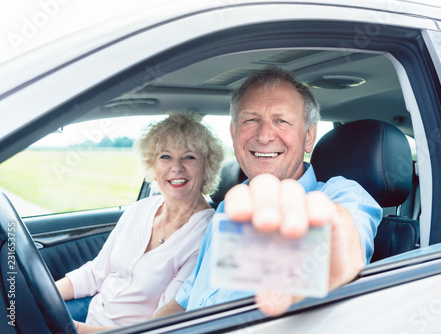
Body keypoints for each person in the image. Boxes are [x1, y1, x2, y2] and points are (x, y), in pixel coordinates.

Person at [153, 66, 383, 318]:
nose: (264, 136)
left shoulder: (341, 195)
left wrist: (324, 258)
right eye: (251, 120)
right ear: (233, 132)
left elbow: (345, 242)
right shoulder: (227, 207)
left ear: (308, 136)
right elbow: (187, 300)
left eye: (281, 120)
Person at [55, 112, 224, 332]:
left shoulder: (206, 235)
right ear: (152, 165)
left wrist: (74, 329)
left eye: (189, 157)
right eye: (165, 156)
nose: (176, 167)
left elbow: (161, 324)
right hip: (92, 313)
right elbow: (95, 274)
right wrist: (41, 294)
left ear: (207, 167)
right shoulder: (139, 210)